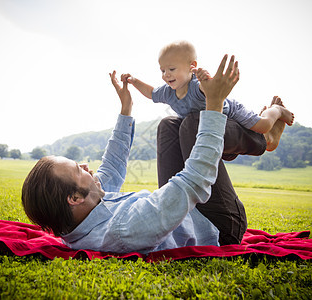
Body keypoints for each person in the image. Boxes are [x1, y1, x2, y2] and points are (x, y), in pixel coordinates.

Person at [22, 55, 265, 254]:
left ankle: (259, 134)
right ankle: (263, 138)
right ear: (74, 198)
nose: (85, 165)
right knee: (194, 122)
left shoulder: (83, 211)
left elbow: (112, 168)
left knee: (169, 125)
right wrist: (215, 102)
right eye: (77, 170)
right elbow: (194, 181)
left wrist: (126, 108)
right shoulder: (123, 229)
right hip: (218, 224)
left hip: (185, 211)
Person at [122, 40, 294, 151]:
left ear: (192, 66)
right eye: (162, 70)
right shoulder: (167, 92)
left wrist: (206, 80)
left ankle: (275, 111)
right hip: (210, 124)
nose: (166, 74)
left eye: (172, 69)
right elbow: (151, 93)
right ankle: (267, 127)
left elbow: (210, 91)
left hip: (230, 111)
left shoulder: (196, 85)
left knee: (262, 126)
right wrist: (134, 81)